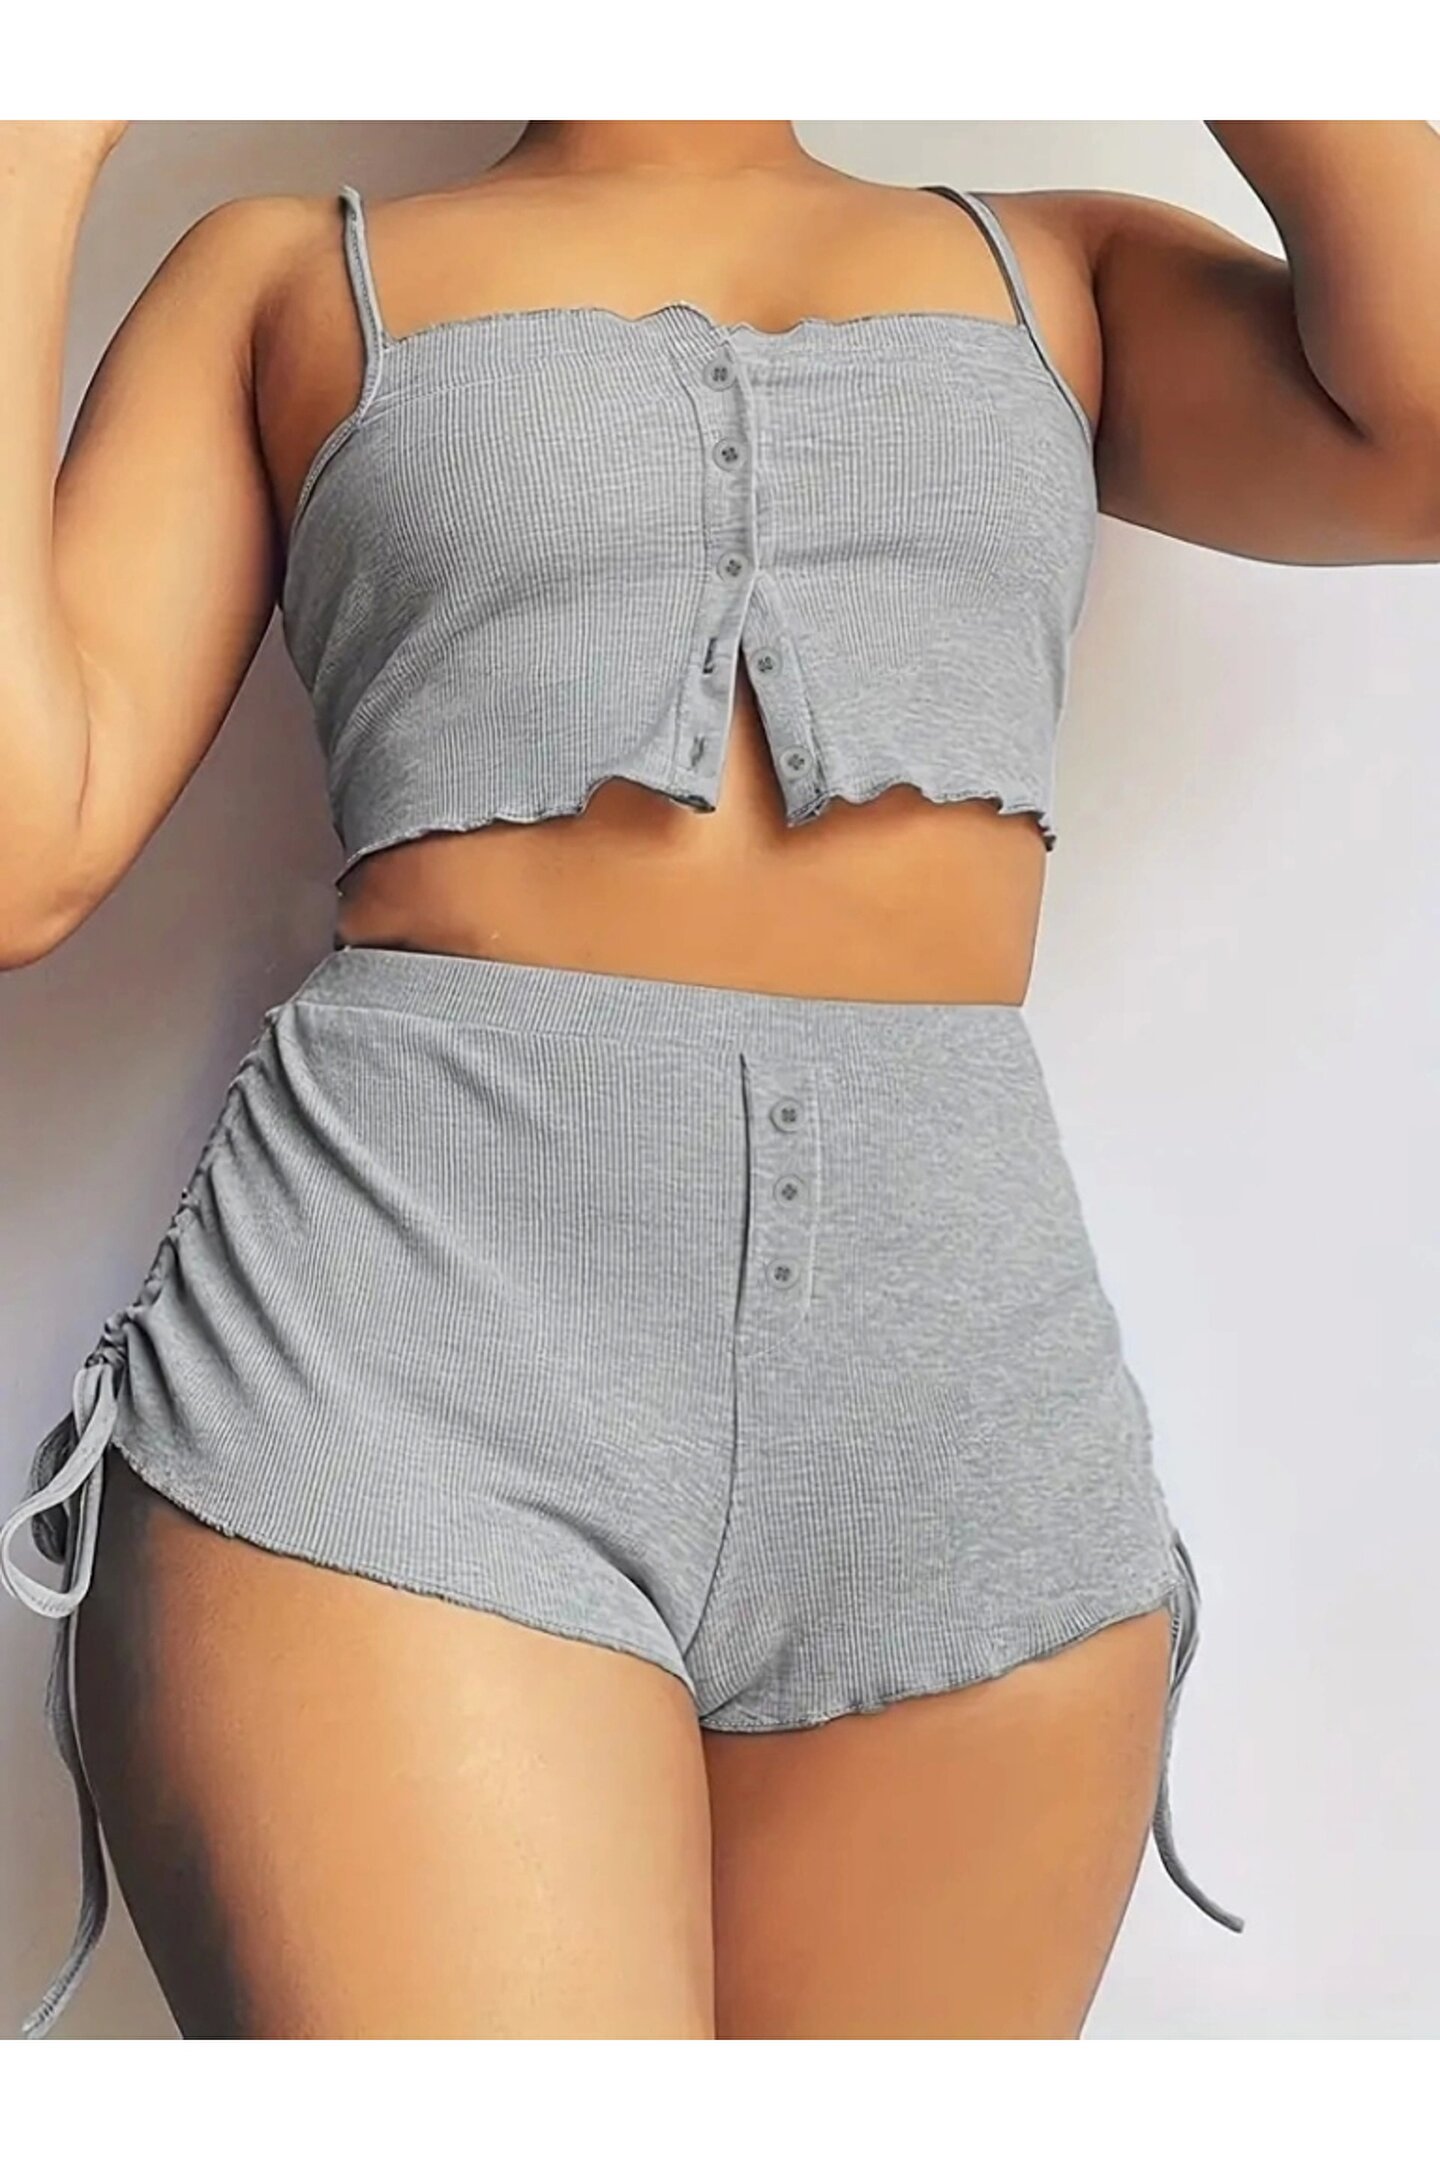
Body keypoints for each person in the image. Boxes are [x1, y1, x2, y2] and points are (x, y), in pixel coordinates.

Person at [3, 118, 1437, 2042]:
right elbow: (24, 850)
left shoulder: (1066, 266)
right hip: (411, 1362)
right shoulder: (280, 270)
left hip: (972, 1417)